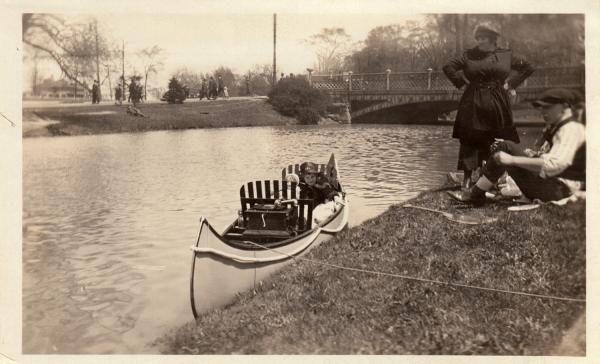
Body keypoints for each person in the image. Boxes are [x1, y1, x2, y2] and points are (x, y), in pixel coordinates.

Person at [448, 88, 585, 205]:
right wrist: (534, 155)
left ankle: (475, 195)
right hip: (555, 186)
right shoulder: (561, 127)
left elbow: (554, 165)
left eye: (548, 107)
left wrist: (512, 160)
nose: (543, 112)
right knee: (504, 147)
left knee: (506, 149)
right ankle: (477, 193)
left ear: (565, 106)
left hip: (560, 191)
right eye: (541, 107)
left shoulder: (571, 129)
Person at [442, 22, 534, 189]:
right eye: (478, 38)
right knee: (469, 138)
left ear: (492, 38)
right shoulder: (468, 55)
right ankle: (468, 179)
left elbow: (528, 67)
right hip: (473, 100)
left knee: (498, 136)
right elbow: (448, 67)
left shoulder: (506, 55)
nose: (479, 41)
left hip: (498, 100)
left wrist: (511, 84)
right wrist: (461, 83)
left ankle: (495, 176)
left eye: (483, 38)